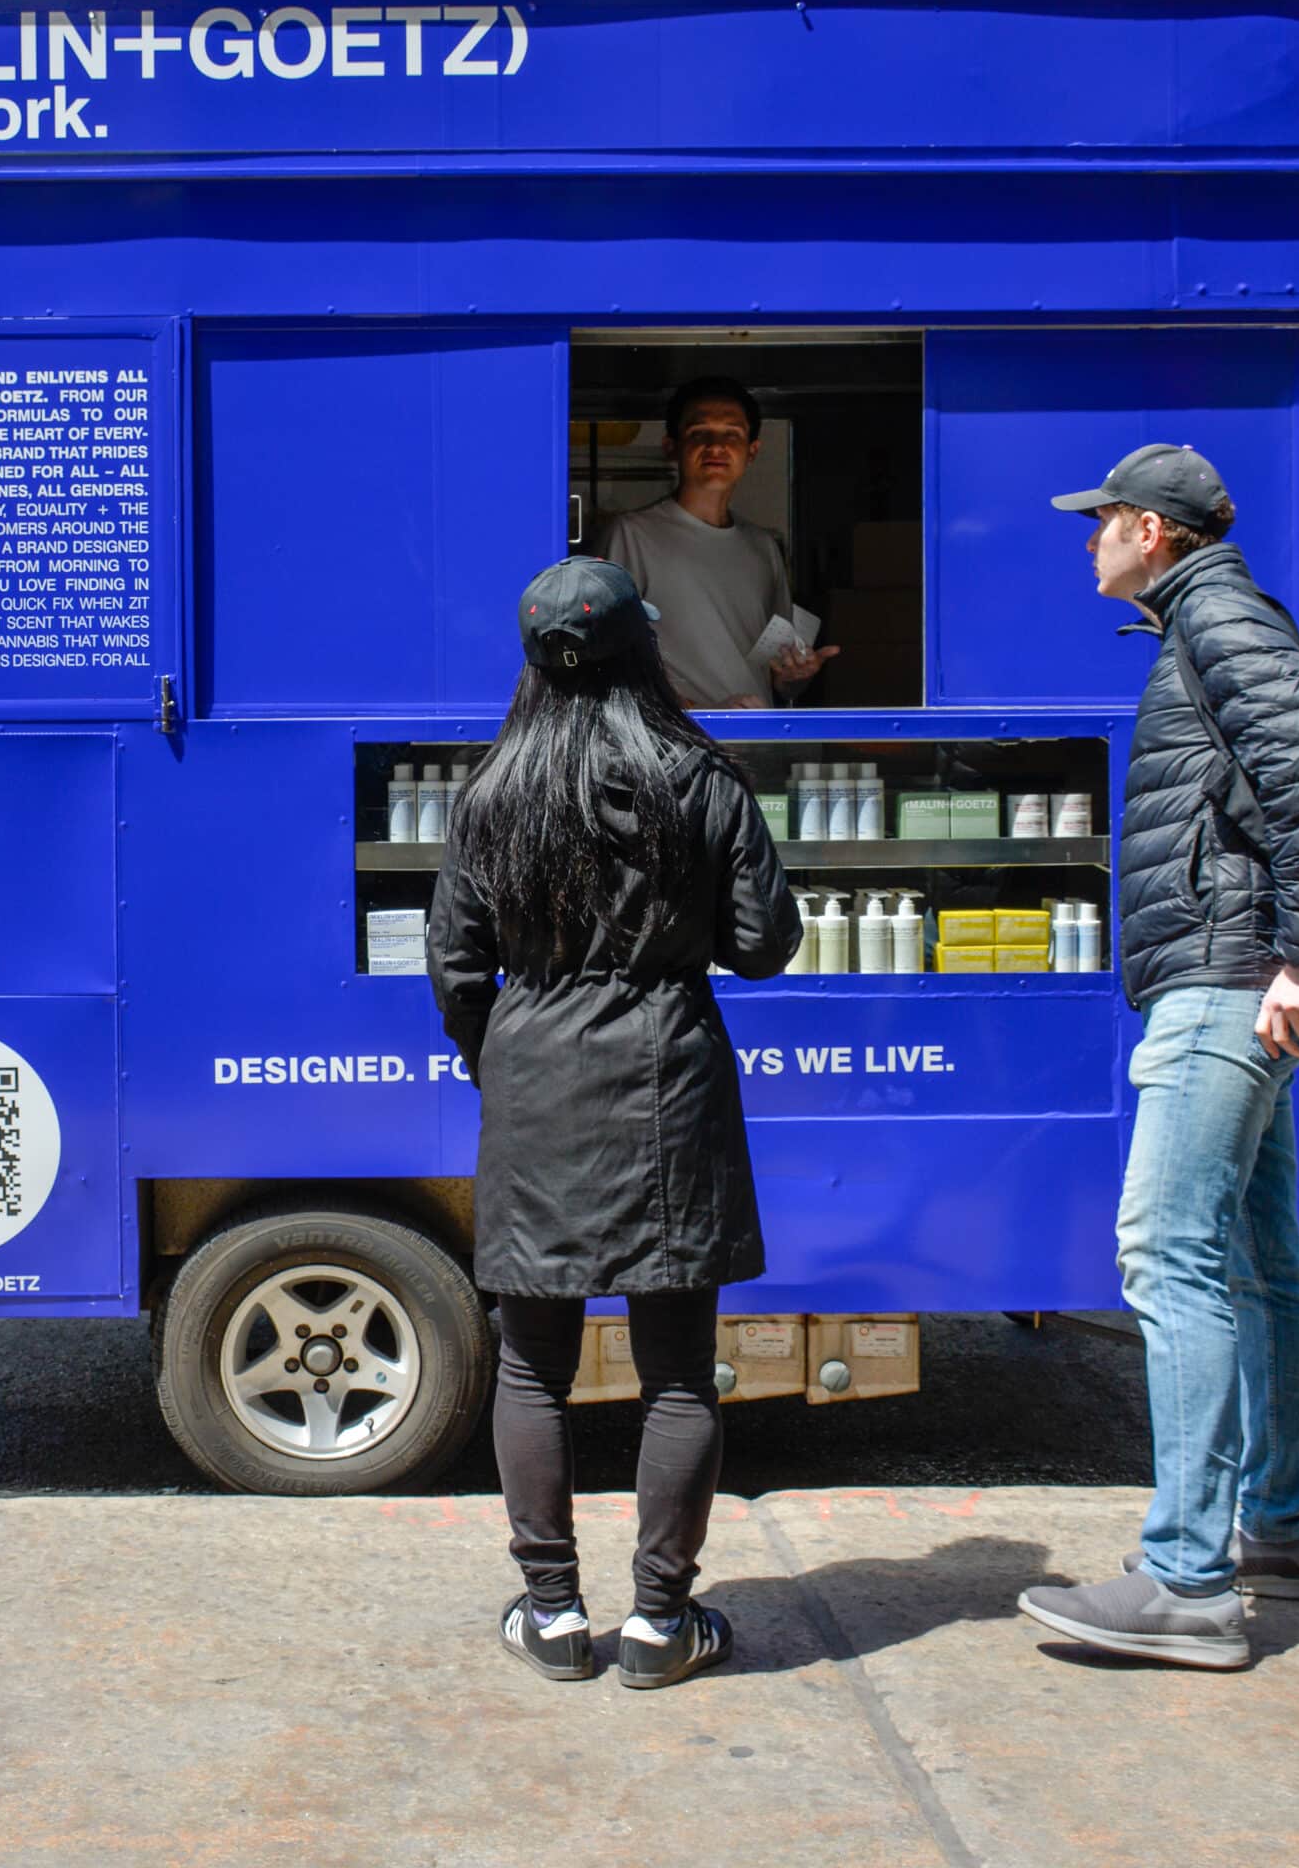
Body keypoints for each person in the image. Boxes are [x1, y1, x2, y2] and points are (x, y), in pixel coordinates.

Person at [427, 555, 801, 1688]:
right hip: (667, 1081)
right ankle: (657, 1623)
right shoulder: (700, 774)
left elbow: (454, 967)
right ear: (645, 647)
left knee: (533, 1365)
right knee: (678, 1369)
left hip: (534, 1079)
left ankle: (549, 1613)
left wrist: (504, 1057)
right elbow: (764, 943)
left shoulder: (490, 791)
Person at [1017, 445, 1299, 1672]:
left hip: (1227, 981)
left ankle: (1187, 1581)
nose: (1087, 539)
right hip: (1227, 971)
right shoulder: (1201, 620)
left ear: (1151, 530)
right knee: (1262, 1261)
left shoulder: (1219, 617)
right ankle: (1279, 1531)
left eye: (1099, 519)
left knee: (1167, 1250)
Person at [598, 377, 838, 709]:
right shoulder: (631, 535)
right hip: (678, 749)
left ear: (752, 451)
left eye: (732, 434)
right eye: (699, 433)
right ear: (672, 446)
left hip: (756, 747)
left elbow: (778, 675)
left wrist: (795, 674)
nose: (716, 446)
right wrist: (700, 714)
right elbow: (607, 662)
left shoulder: (763, 546)